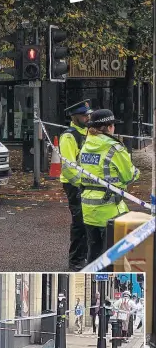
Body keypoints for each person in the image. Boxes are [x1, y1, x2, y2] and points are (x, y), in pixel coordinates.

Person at [79, 109, 140, 263]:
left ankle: (92, 276)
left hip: (88, 207)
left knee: (93, 251)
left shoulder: (85, 146)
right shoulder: (115, 148)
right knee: (113, 256)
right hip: (111, 208)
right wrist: (136, 172)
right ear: (109, 127)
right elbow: (129, 176)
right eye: (113, 125)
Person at [59, 100, 92, 270]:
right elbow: (68, 168)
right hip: (75, 185)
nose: (87, 117)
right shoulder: (69, 136)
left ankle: (85, 257)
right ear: (74, 117)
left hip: (87, 184)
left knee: (89, 221)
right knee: (80, 223)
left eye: (88, 114)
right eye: (84, 115)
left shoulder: (88, 133)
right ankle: (75, 262)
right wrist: (83, 183)